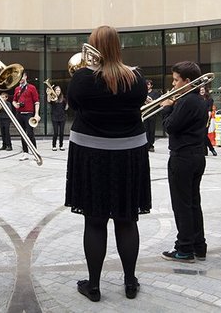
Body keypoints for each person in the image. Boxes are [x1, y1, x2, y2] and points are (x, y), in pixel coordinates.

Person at [66, 25, 150, 302]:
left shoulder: (81, 79)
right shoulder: (136, 78)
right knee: (127, 219)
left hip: (91, 154)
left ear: (93, 47)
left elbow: (75, 106)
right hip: (128, 153)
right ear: (118, 46)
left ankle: (93, 285)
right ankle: (129, 282)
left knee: (95, 221)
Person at [160, 62, 209, 263]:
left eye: (176, 80)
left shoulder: (187, 101)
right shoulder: (199, 100)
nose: (173, 84)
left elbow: (170, 126)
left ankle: (184, 248)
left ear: (187, 81)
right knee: (193, 203)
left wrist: (166, 108)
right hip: (197, 156)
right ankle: (199, 246)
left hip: (183, 157)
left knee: (182, 205)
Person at [12, 73, 40, 160]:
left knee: (30, 133)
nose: (20, 78)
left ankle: (35, 152)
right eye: (19, 77)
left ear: (26, 77)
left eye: (22, 76)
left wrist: (36, 114)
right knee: (22, 134)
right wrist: (15, 105)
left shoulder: (32, 87)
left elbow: (36, 102)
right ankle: (25, 152)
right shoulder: (17, 88)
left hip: (29, 114)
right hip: (19, 114)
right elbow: (14, 100)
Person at [199, 85, 217, 156]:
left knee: (204, 135)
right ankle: (205, 151)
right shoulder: (197, 98)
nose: (202, 91)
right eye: (200, 90)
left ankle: (211, 149)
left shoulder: (209, 99)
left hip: (206, 118)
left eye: (203, 90)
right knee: (203, 135)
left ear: (205, 90)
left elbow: (210, 108)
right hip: (199, 118)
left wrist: (209, 113)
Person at [49, 84, 67, 150]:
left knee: (61, 133)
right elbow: (48, 101)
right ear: (55, 91)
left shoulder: (63, 98)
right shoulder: (52, 98)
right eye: (57, 90)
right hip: (54, 117)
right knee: (56, 132)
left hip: (62, 117)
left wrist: (68, 104)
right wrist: (49, 93)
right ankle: (54, 146)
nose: (58, 91)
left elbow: (66, 108)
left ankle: (61, 145)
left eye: (59, 90)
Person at [144, 79, 160, 151]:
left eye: (148, 84)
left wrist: (149, 101)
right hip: (144, 113)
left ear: (151, 85)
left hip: (152, 113)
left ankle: (151, 145)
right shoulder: (143, 93)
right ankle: (146, 145)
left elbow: (157, 102)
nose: (147, 86)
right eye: (146, 84)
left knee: (151, 130)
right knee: (146, 130)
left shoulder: (155, 93)